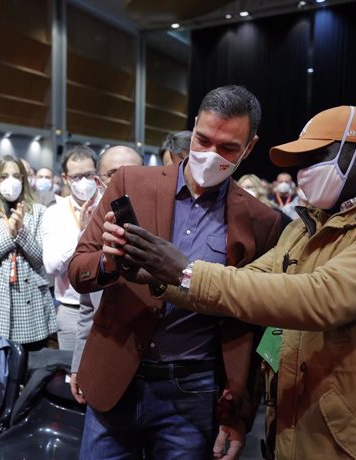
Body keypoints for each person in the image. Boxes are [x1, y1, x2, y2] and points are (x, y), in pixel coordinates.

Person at [122, 105, 356, 459]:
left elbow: (319, 298)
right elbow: (251, 281)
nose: (304, 171)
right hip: (300, 431)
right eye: (302, 161)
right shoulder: (305, 228)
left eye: (317, 156)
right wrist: (162, 279)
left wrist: (184, 271)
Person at [68, 85, 282, 459]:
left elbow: (250, 323)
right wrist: (107, 261)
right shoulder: (130, 182)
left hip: (193, 390)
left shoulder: (262, 221)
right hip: (116, 372)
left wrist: (238, 415)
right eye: (203, 139)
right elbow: (78, 269)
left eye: (228, 148)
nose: (210, 155)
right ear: (195, 125)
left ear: (250, 147)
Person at [68, 145, 144, 403]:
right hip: (108, 359)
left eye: (133, 172)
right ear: (99, 182)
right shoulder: (91, 233)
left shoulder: (165, 223)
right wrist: (79, 363)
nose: (124, 179)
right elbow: (87, 308)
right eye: (114, 173)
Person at [0, 155, 56, 352]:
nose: (11, 181)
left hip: (29, 299)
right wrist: (9, 236)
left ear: (23, 179)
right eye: (5, 176)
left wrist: (21, 232)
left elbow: (39, 259)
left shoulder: (39, 212)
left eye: (16, 176)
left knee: (31, 367)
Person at [41, 146, 98, 351]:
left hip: (108, 306)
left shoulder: (108, 205)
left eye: (89, 175)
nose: (83, 182)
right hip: (72, 308)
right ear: (65, 178)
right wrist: (81, 235)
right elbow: (52, 266)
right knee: (72, 377)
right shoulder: (55, 213)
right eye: (76, 177)